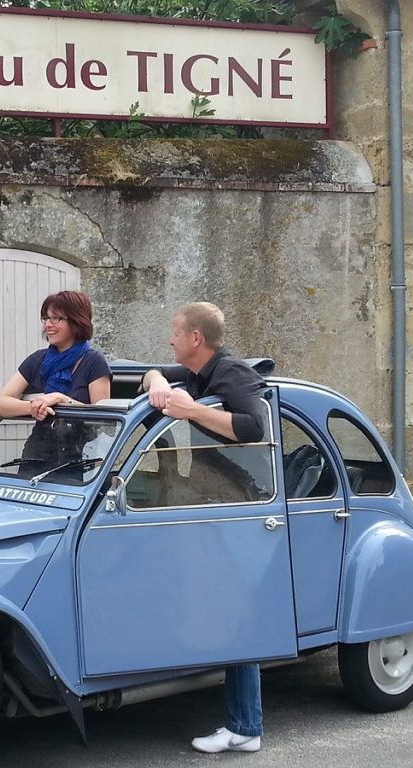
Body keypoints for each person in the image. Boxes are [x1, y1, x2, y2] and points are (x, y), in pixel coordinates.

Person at [141, 301, 267, 755]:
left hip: (241, 504)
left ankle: (246, 727)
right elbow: (152, 375)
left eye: (175, 332)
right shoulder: (196, 373)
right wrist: (158, 384)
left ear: (196, 338)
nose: (169, 339)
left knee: (234, 614)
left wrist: (191, 410)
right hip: (213, 503)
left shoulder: (230, 374)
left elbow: (255, 426)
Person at [0, 290, 111, 420]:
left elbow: (103, 419)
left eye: (55, 318)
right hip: (42, 439)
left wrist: (61, 399)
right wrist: (35, 406)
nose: (48, 325)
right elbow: (0, 404)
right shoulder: (37, 360)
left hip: (84, 440)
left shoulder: (94, 362)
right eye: (46, 318)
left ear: (77, 321)